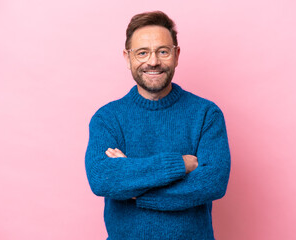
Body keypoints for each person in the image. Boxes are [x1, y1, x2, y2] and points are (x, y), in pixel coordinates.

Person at [85, 10, 231, 240]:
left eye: (162, 51)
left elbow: (213, 182)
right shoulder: (107, 118)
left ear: (176, 55)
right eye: (142, 52)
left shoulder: (206, 114)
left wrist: (135, 190)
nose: (153, 61)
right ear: (127, 57)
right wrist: (179, 164)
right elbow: (102, 178)